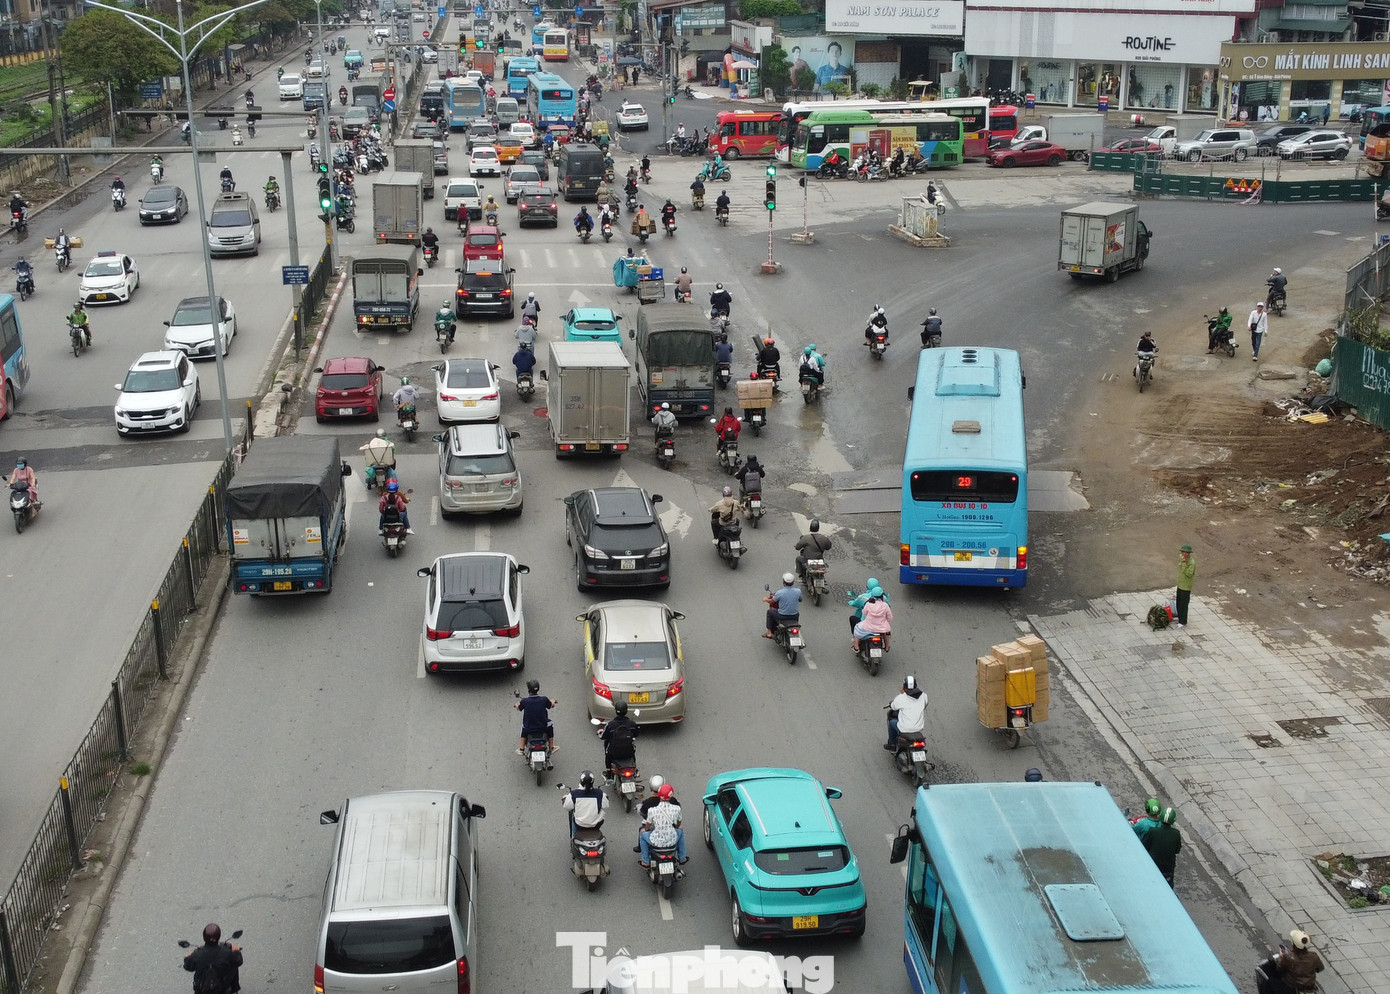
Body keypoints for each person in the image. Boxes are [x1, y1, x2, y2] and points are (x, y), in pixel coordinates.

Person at [183, 923, 242, 994]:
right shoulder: (227, 953)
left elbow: (188, 967)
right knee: (234, 964)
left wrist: (187, 957)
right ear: (219, 936)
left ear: (204, 937)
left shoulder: (196, 955)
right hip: (222, 987)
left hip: (201, 989)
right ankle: (234, 991)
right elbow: (239, 961)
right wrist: (236, 950)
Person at [1140, 806, 1182, 886]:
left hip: (1152, 864)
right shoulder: (1176, 833)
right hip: (1168, 868)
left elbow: (1144, 846)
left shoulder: (1153, 831)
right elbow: (1177, 850)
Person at [562, 770, 610, 837]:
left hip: (580, 825)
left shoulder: (574, 794)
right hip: (596, 824)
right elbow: (606, 806)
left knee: (573, 818)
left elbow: (567, 807)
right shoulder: (600, 793)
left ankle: (574, 836)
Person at [516, 678, 557, 755]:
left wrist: (517, 705)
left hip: (529, 729)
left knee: (523, 726)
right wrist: (553, 702)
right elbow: (550, 705)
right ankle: (552, 747)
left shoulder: (525, 701)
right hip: (543, 727)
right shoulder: (544, 699)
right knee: (551, 723)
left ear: (529, 690)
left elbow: (519, 708)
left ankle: (521, 749)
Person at [886, 675, 927, 750]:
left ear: (904, 687)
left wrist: (902, 693)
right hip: (918, 729)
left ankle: (892, 744)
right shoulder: (924, 696)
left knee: (892, 723)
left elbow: (893, 706)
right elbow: (925, 704)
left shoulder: (902, 698)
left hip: (905, 729)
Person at [600, 701, 639, 776]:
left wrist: (600, 732)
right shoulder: (632, 724)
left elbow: (603, 737)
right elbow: (636, 734)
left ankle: (608, 772)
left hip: (614, 754)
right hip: (628, 753)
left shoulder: (610, 725)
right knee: (632, 749)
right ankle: (634, 769)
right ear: (626, 711)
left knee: (607, 752)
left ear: (616, 711)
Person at [763, 572, 802, 639]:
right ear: (793, 582)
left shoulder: (780, 592)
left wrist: (766, 599)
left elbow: (772, 602)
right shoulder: (798, 591)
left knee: (770, 612)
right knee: (797, 613)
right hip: (795, 616)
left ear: (783, 582)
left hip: (782, 616)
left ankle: (769, 632)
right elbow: (800, 600)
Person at [853, 587, 893, 652]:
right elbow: (890, 618)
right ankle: (887, 647)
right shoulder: (885, 605)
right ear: (882, 596)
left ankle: (856, 647)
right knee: (887, 633)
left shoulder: (869, 604)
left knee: (856, 629)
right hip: (882, 629)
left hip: (868, 627)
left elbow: (864, 613)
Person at [1173, 543, 1196, 629]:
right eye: (1183, 552)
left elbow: (1189, 574)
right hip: (1180, 584)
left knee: (1184, 604)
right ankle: (1179, 617)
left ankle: (1183, 621)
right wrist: (1182, 563)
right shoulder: (1181, 557)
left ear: (1189, 553)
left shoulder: (1191, 563)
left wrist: (1184, 564)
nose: (1184, 554)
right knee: (1178, 601)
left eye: (1186, 553)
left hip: (1186, 586)